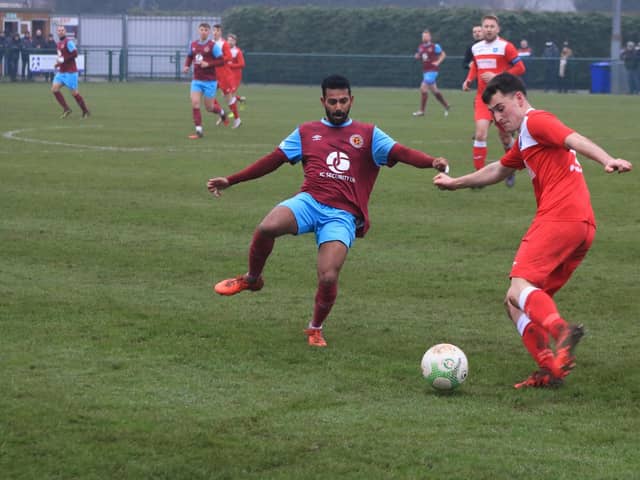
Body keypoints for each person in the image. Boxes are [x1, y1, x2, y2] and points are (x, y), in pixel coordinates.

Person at [208, 74, 449, 347]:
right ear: (323, 101)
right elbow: (271, 161)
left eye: (343, 101)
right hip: (309, 202)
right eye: (332, 101)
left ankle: (315, 328)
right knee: (267, 227)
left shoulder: (369, 134)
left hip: (342, 214)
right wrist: (231, 180)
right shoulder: (306, 132)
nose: (338, 107)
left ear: (351, 101)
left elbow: (402, 152)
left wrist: (432, 162)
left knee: (328, 274)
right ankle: (252, 279)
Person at [433, 73, 632, 388]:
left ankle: (561, 332)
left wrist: (607, 159)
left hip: (560, 218)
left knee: (518, 286)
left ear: (519, 99)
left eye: (501, 108)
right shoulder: (526, 136)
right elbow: (499, 168)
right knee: (516, 301)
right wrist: (455, 183)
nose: (498, 118)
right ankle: (550, 368)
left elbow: (572, 137)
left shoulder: (536, 121)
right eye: (493, 113)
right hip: (581, 225)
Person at [462, 14, 525, 187]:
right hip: (483, 99)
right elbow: (475, 66)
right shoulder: (477, 48)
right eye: (486, 26)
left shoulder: (506, 46)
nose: (488, 29)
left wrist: (498, 76)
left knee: (505, 138)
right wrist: (468, 80)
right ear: (481, 29)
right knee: (481, 133)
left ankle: (510, 169)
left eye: (492, 26)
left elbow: (520, 67)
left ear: (498, 29)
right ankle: (478, 177)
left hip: (501, 100)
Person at [182, 22, 228, 139]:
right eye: (201, 29)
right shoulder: (193, 44)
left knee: (209, 108)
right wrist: (186, 66)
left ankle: (222, 112)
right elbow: (189, 56)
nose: (203, 32)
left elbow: (221, 60)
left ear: (208, 32)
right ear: (198, 31)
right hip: (197, 80)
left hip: (210, 81)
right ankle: (199, 131)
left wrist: (208, 64)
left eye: (206, 30)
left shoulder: (213, 46)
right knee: (195, 103)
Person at [51, 25, 90, 119]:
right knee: (54, 89)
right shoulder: (58, 44)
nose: (60, 32)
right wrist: (58, 64)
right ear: (57, 32)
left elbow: (75, 54)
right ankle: (66, 109)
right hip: (62, 72)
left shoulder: (69, 42)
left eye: (62, 30)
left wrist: (63, 60)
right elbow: (62, 58)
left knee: (74, 93)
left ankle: (85, 111)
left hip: (71, 72)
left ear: (65, 32)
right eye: (59, 30)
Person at [412, 29, 450, 117]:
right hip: (425, 71)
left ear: (430, 37)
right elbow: (421, 56)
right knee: (435, 91)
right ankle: (446, 105)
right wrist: (417, 56)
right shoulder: (420, 47)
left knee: (423, 88)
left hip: (433, 70)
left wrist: (438, 62)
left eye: (426, 36)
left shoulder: (435, 46)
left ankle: (422, 111)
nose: (424, 37)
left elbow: (443, 54)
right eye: (423, 36)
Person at [212, 24, 241, 129]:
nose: (215, 32)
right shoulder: (210, 43)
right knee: (209, 95)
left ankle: (237, 119)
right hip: (213, 75)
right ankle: (222, 113)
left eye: (217, 31)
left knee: (228, 99)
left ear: (220, 32)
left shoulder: (223, 44)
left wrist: (218, 60)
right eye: (214, 30)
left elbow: (228, 57)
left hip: (223, 75)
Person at [227, 33, 246, 104]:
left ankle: (234, 113)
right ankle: (240, 99)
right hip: (227, 75)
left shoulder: (237, 51)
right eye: (228, 40)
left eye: (231, 40)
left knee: (231, 94)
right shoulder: (225, 50)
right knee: (226, 93)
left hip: (235, 76)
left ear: (235, 42)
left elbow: (242, 64)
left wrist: (231, 65)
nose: (229, 42)